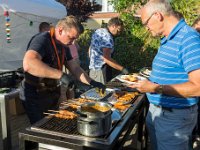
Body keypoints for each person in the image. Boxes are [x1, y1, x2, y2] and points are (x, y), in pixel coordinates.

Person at [129, 1, 200, 150]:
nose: (146, 28)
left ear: (158, 15)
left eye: (146, 23)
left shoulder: (188, 38)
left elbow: (197, 88)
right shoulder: (167, 38)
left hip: (174, 117)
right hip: (158, 112)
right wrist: (149, 82)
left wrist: (155, 88)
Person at [19, 15, 105, 125]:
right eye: (71, 37)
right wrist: (62, 75)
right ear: (60, 30)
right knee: (40, 128)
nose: (73, 42)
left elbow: (75, 68)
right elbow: (29, 64)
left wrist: (92, 82)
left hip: (51, 93)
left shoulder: (64, 45)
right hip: (34, 93)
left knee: (52, 124)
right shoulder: (42, 39)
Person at [89, 17, 129, 84]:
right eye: (118, 30)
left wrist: (93, 61)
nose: (119, 33)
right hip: (101, 71)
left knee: (95, 92)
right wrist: (123, 69)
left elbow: (90, 48)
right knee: (103, 93)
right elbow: (107, 59)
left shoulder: (99, 31)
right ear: (113, 26)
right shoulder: (108, 37)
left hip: (93, 70)